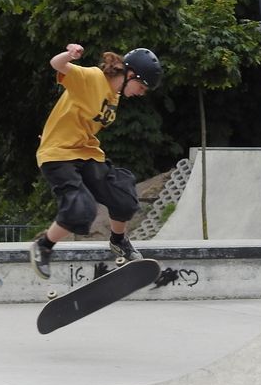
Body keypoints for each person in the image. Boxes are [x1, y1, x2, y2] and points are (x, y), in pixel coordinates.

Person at [30, 43, 163, 279]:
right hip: (58, 154)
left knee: (123, 196)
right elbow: (57, 65)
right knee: (81, 208)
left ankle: (118, 241)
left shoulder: (115, 95)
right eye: (141, 86)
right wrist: (68, 55)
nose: (141, 93)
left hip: (86, 154)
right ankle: (43, 247)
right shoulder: (91, 77)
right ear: (130, 74)